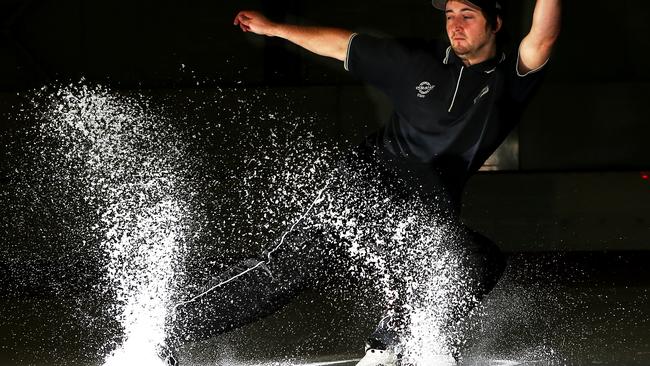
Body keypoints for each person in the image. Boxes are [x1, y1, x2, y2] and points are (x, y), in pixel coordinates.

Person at [161, 1, 561, 365]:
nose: (455, 26)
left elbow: (543, 34)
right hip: (360, 186)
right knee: (282, 274)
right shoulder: (418, 61)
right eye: (449, 15)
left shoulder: (510, 79)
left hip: (420, 208)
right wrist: (275, 29)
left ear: (495, 23)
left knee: (474, 259)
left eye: (467, 16)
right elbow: (341, 45)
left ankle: (388, 348)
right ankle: (166, 333)